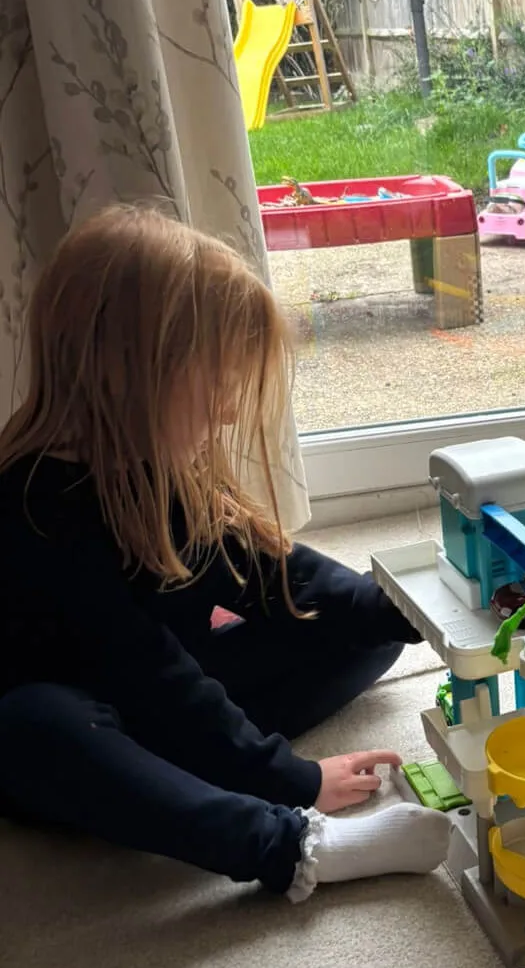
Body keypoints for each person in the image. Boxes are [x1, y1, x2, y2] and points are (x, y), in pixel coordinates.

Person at [0, 205, 451, 901]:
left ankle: (190, 771)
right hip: (73, 721)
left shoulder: (155, 467)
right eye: (217, 383)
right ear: (133, 373)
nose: (229, 412)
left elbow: (275, 577)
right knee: (35, 728)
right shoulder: (33, 506)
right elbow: (148, 675)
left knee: (365, 634)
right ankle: (288, 845)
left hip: (151, 696)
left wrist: (421, 600)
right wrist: (294, 783)